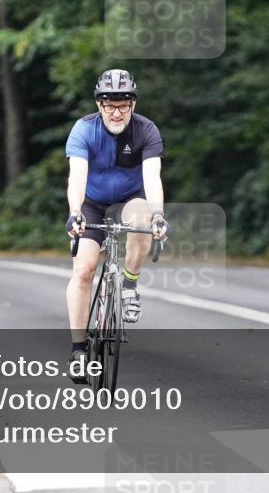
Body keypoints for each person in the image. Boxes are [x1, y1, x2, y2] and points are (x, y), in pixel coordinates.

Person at [64, 69, 167, 382]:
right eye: (110, 105)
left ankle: (130, 283)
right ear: (99, 105)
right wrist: (74, 212)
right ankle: (79, 350)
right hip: (92, 204)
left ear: (133, 105)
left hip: (128, 200)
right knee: (83, 270)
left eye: (124, 105)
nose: (117, 112)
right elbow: (77, 175)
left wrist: (159, 214)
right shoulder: (83, 130)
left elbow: (152, 177)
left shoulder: (146, 131)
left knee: (143, 218)